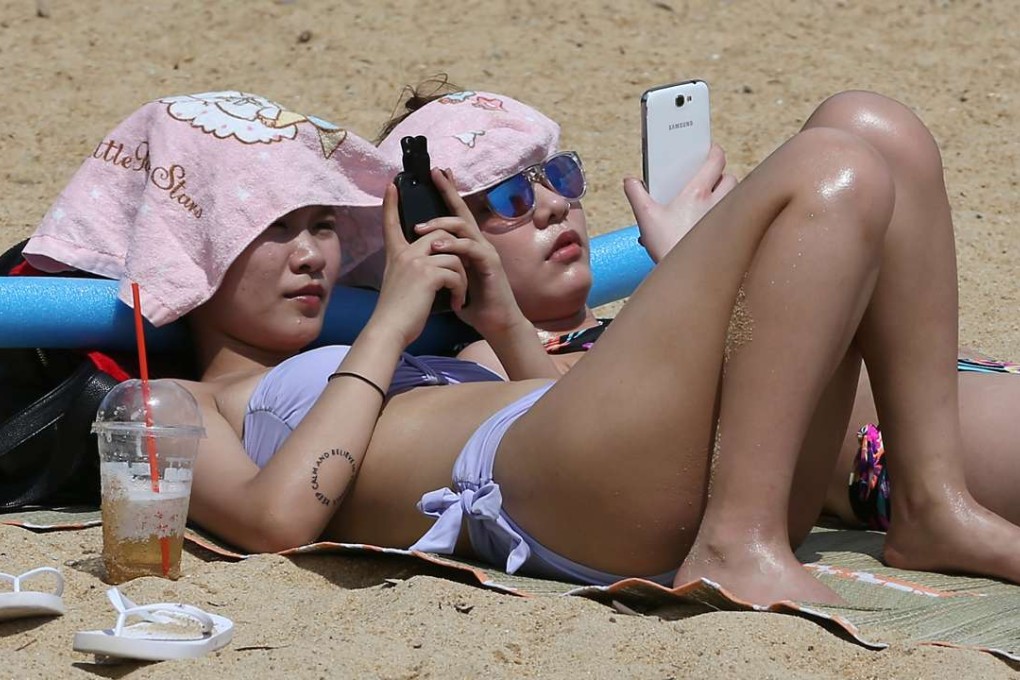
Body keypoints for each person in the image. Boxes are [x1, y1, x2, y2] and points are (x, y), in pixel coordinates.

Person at [28, 89, 1020, 607]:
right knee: (836, 165)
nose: (312, 253)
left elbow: (567, 408)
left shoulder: (454, 345)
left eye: (322, 224)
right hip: (552, 484)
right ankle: (736, 545)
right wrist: (386, 323)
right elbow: (284, 518)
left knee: (875, 127)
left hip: (587, 456)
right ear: (194, 251)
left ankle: (933, 504)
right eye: (274, 228)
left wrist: (500, 318)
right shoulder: (190, 402)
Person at [377, 85, 1020, 531]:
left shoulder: (629, 310)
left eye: (559, 176)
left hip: (950, 387)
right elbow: (562, 447)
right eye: (511, 197)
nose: (551, 205)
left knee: (866, 126)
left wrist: (698, 262)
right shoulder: (487, 354)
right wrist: (692, 267)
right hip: (876, 451)